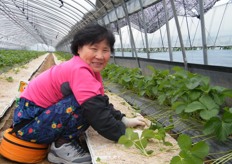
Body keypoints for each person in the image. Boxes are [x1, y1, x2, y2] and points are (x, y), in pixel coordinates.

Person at [12, 23, 146, 164]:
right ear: (79, 49)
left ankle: (60, 143)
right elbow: (97, 112)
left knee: (91, 101)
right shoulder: (79, 70)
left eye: (105, 50)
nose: (100, 56)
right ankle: (61, 146)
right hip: (28, 127)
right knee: (87, 105)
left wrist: (123, 120)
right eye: (94, 49)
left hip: (34, 120)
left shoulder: (87, 69)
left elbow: (101, 101)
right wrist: (126, 135)